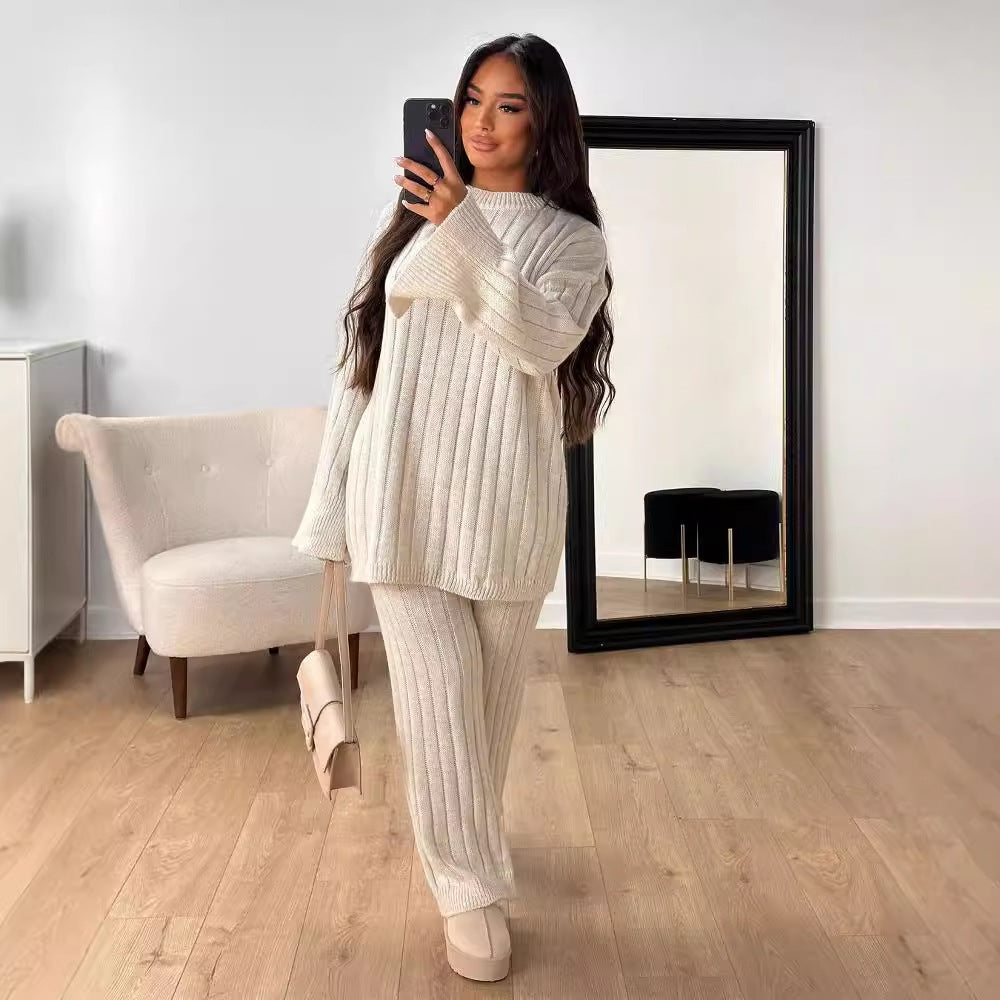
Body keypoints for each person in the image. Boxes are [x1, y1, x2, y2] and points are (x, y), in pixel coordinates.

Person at [293, 32, 615, 982]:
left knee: (481, 721)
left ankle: (469, 845)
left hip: (509, 509)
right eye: (471, 99)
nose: (480, 122)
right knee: (437, 705)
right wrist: (329, 509)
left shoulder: (573, 242)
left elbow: (539, 340)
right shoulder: (408, 222)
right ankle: (469, 892)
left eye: (508, 105)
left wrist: (466, 224)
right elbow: (360, 371)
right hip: (400, 497)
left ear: (545, 122)